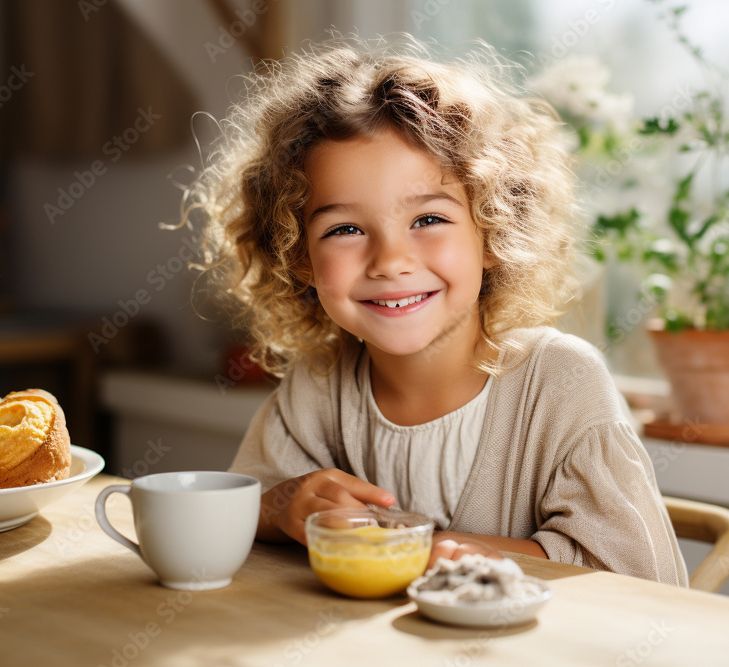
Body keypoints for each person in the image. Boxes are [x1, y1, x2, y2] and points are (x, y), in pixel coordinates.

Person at [182, 34, 687, 586]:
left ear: (493, 231)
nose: (391, 261)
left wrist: (468, 553)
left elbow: (644, 580)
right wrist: (283, 506)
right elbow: (237, 508)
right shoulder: (319, 386)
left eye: (428, 219)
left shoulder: (563, 384)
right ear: (298, 257)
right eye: (345, 229)